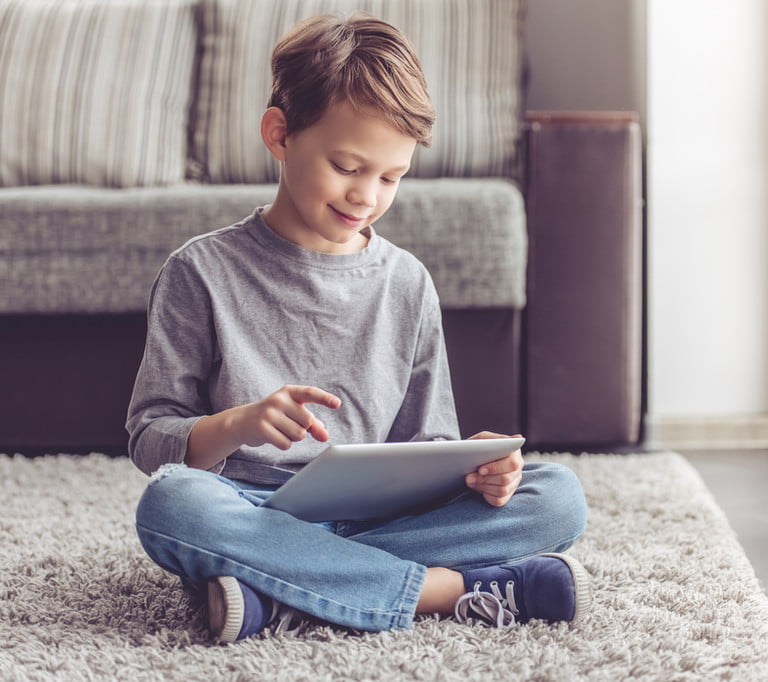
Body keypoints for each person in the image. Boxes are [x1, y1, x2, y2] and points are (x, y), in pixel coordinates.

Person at [126, 13, 590, 643]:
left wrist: (480, 472)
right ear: (280, 134)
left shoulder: (407, 282)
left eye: (390, 177)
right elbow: (151, 439)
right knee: (173, 506)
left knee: (557, 494)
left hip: (384, 518)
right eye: (346, 167)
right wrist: (236, 424)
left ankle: (281, 596)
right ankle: (451, 591)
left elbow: (427, 443)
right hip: (254, 512)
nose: (366, 196)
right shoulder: (199, 272)